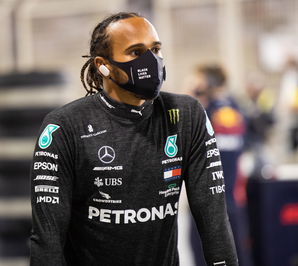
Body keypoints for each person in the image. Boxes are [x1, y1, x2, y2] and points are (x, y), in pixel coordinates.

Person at [29, 12, 238, 266]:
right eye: (136, 52)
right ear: (102, 65)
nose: (151, 61)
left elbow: (213, 217)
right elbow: (47, 240)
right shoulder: (64, 127)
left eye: (156, 49)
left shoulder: (186, 115)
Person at [188, 65, 252, 266]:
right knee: (236, 250)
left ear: (209, 83)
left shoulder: (204, 111)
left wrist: (192, 95)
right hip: (232, 195)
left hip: (208, 197)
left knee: (201, 249)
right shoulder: (237, 108)